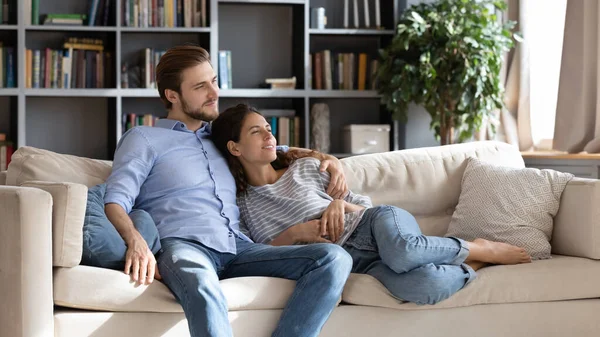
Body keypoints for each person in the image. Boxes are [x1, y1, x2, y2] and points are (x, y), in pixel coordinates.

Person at [103, 45, 354, 337]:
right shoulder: (144, 139)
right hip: (184, 247)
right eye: (200, 86)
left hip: (238, 248)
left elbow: (277, 150)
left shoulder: (223, 139)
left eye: (214, 82)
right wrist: (136, 241)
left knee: (334, 258)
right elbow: (115, 200)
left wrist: (329, 160)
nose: (214, 93)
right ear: (172, 95)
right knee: (202, 285)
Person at [210, 104, 533, 305]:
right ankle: (471, 264)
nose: (269, 136)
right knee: (424, 286)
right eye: (257, 132)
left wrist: (337, 204)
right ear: (235, 148)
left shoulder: (307, 167)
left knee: (403, 250)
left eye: (268, 128)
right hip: (357, 261)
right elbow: (257, 253)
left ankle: (477, 248)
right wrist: (295, 233)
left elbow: (366, 208)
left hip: (377, 227)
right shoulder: (241, 204)